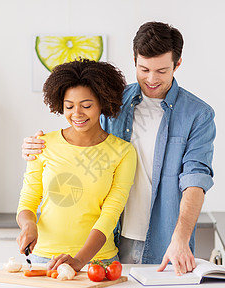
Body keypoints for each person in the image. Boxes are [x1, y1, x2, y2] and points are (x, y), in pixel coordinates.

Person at [21, 21, 216, 275]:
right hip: (108, 239)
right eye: (144, 68)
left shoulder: (197, 114)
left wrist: (180, 237)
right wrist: (36, 145)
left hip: (165, 240)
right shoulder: (113, 101)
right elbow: (82, 136)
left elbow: (195, 180)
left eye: (162, 71)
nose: (151, 79)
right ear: (134, 59)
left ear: (177, 64)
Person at [16, 58, 137, 272]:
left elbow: (111, 213)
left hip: (99, 262)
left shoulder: (123, 152)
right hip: (43, 258)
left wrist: (80, 260)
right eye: (69, 106)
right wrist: (29, 226)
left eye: (87, 105)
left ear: (102, 102)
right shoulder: (43, 144)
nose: (77, 114)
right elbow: (29, 198)